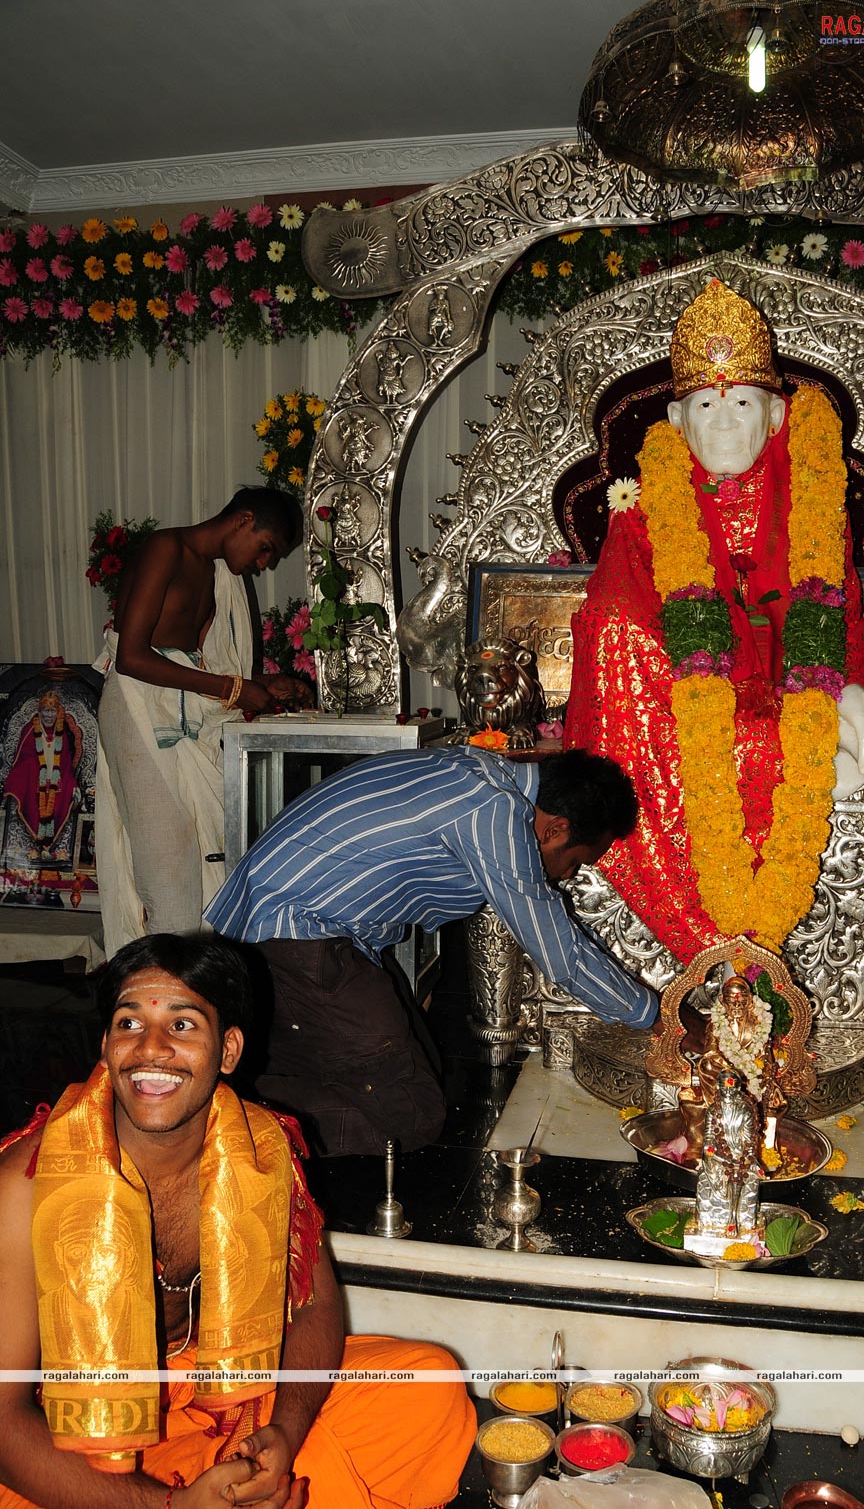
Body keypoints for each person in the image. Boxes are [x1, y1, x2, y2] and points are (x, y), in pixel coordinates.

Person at [0, 933, 476, 1509]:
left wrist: (285, 1432)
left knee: (427, 1384)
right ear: (105, 1045)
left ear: (227, 1052)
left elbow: (317, 1305)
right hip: (81, 1423)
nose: (151, 1049)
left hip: (228, 1388)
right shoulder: (28, 1183)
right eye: (129, 1024)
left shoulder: (262, 1149)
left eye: (182, 1026)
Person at [565, 278, 864, 966]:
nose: (724, 423)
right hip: (679, 717)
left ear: (777, 418)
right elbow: (621, 628)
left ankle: (809, 765)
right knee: (610, 627)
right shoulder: (642, 513)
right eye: (705, 404)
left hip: (791, 706)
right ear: (676, 422)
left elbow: (837, 622)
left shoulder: (811, 502)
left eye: (742, 403)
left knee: (823, 728)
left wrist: (841, 690)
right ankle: (706, 934)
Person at [205, 747, 659, 1155]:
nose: (565, 875)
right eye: (575, 860)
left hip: (310, 932)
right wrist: (656, 1015)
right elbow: (560, 954)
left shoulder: (484, 772)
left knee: (420, 1069)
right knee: (410, 1117)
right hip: (292, 935)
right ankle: (209, 1124)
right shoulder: (492, 810)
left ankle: (241, 1082)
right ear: (555, 829)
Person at [96, 487, 312, 957]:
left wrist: (262, 683)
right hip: (136, 709)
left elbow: (198, 665)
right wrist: (234, 689)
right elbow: (133, 656)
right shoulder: (165, 549)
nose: (263, 565)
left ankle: (189, 1006)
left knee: (208, 877)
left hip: (183, 714)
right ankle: (154, 1010)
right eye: (265, 549)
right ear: (243, 520)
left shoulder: (218, 574)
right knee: (169, 890)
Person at [2, 689, 83, 860]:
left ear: (58, 712)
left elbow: (66, 766)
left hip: (56, 783)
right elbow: (21, 761)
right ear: (39, 712)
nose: (49, 715)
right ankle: (29, 849)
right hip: (32, 782)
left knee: (68, 796)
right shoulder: (30, 730)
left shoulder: (62, 732)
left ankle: (57, 851)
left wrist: (73, 786)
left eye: (53, 711)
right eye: (46, 711)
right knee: (26, 795)